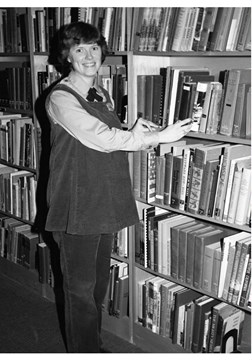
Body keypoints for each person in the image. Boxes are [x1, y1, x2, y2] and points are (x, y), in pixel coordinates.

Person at [41, 22, 190, 352]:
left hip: (103, 199)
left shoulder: (101, 93)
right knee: (79, 291)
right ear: (66, 56)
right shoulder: (60, 98)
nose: (89, 55)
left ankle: (91, 345)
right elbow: (102, 138)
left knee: (97, 287)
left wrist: (132, 128)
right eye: (79, 49)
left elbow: (108, 133)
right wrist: (157, 137)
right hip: (77, 203)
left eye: (94, 47)